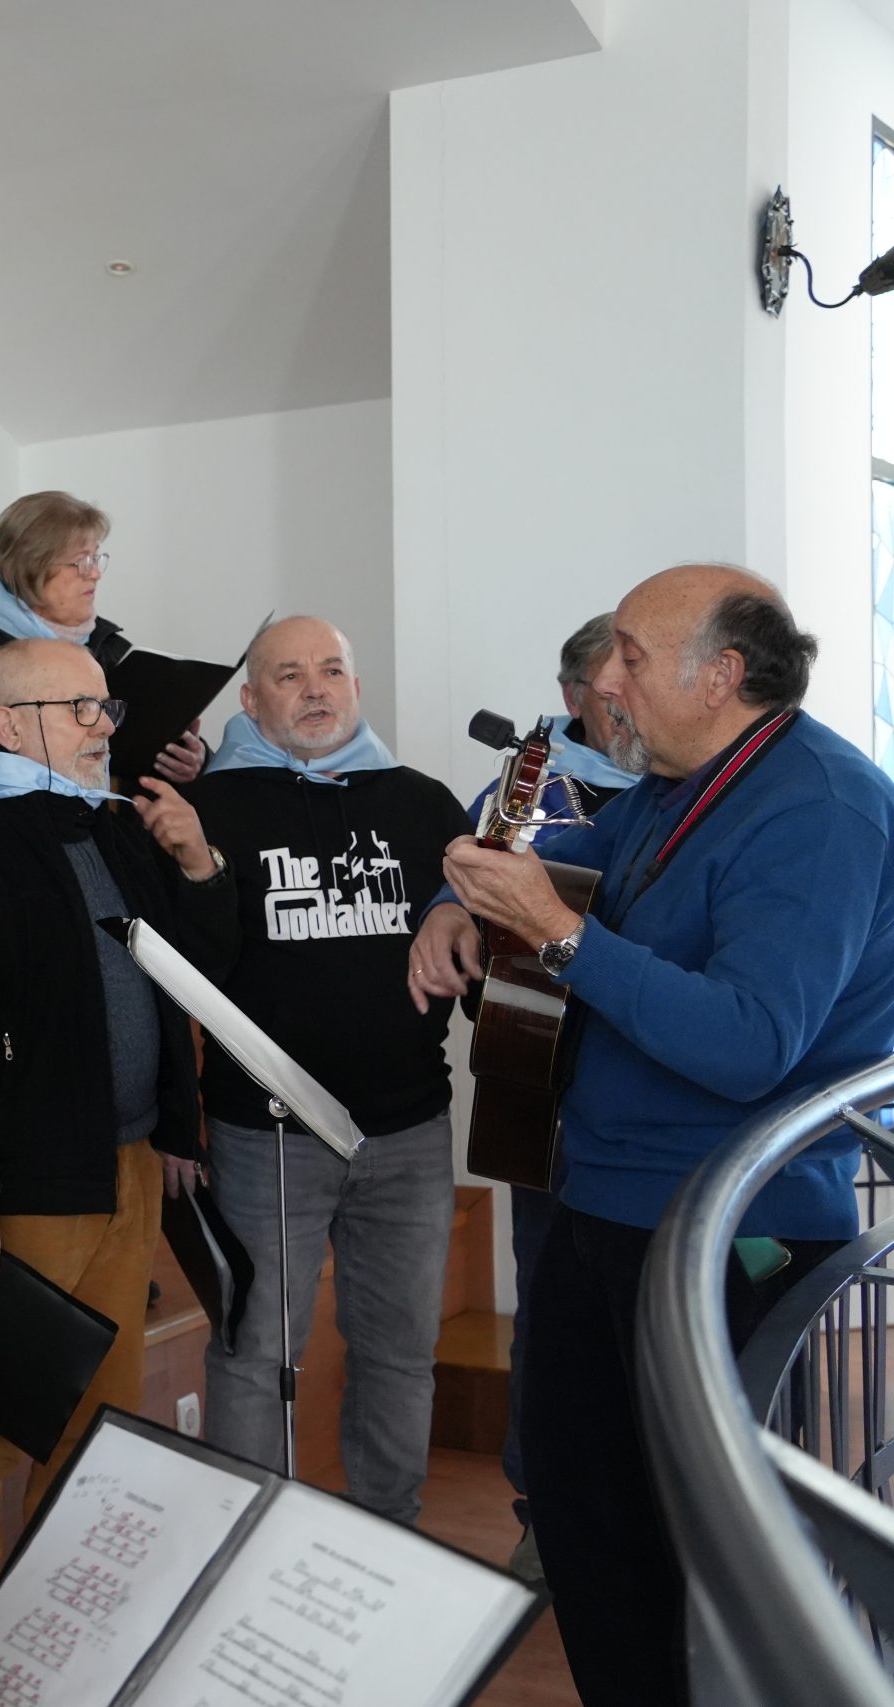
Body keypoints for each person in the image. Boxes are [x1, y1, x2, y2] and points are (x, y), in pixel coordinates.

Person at [416, 567, 894, 1707]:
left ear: (721, 675)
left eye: (629, 656)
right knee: (586, 1519)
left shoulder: (819, 809)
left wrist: (556, 935)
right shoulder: (678, 785)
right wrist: (456, 905)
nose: (605, 682)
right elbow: (561, 847)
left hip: (729, 1235)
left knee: (699, 1564)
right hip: (605, 1202)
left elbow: (748, 1041)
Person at [0, 637, 233, 1642]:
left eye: (103, 708)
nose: (102, 727)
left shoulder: (110, 824)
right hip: (24, 1182)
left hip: (127, 1164)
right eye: (78, 709)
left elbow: (181, 981)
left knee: (101, 1420)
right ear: (8, 725)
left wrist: (198, 864)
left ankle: (62, 1634)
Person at [185, 616, 469, 1523]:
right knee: (255, 1354)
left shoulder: (425, 803)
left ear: (356, 685)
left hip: (411, 1128)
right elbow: (186, 966)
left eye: (332, 670)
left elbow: (479, 940)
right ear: (250, 699)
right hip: (266, 1135)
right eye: (289, 674)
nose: (315, 688)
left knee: (401, 1354)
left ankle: (389, 1536)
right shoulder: (210, 811)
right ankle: (246, 1544)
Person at [458, 611, 643, 1585]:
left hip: (652, 1097)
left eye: (636, 681)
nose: (627, 703)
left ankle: (659, 1514)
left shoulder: (686, 782)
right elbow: (468, 881)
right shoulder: (527, 782)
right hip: (544, 1091)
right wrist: (444, 913)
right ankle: (544, 1515)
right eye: (611, 688)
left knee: (652, 1314)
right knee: (551, 1312)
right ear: (573, 695)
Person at [0, 490, 207, 816]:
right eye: (81, 561)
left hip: (110, 836)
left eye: (96, 558)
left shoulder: (111, 648)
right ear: (31, 565)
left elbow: (133, 752)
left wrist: (191, 759)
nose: (95, 573)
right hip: (8, 838)